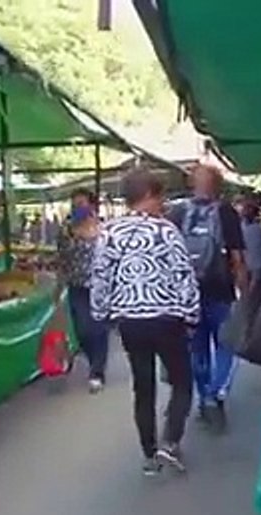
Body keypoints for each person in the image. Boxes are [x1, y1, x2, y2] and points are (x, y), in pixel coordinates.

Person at [90, 171, 199, 476]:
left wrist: (102, 314)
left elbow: (101, 278)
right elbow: (184, 277)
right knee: (182, 381)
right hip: (166, 318)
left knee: (144, 386)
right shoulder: (167, 232)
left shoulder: (110, 232)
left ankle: (149, 455)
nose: (163, 202)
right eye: (160, 196)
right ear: (150, 194)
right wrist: (191, 316)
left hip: (131, 322)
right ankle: (171, 439)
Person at [167, 165, 247, 427]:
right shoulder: (226, 212)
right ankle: (214, 393)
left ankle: (204, 397)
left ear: (193, 184)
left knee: (197, 349)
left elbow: (168, 259)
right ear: (218, 185)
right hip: (221, 290)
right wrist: (244, 292)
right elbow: (236, 257)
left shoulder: (177, 213)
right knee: (226, 344)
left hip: (187, 295)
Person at [58, 205, 110, 392]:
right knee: (82, 331)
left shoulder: (103, 236)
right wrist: (58, 287)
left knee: (97, 328)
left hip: (98, 288)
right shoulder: (67, 240)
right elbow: (62, 263)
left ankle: (97, 371)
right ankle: (92, 359)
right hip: (77, 288)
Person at [239, 194, 261, 285]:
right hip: (248, 264)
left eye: (247, 208)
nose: (243, 211)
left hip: (256, 265)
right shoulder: (242, 226)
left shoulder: (257, 228)